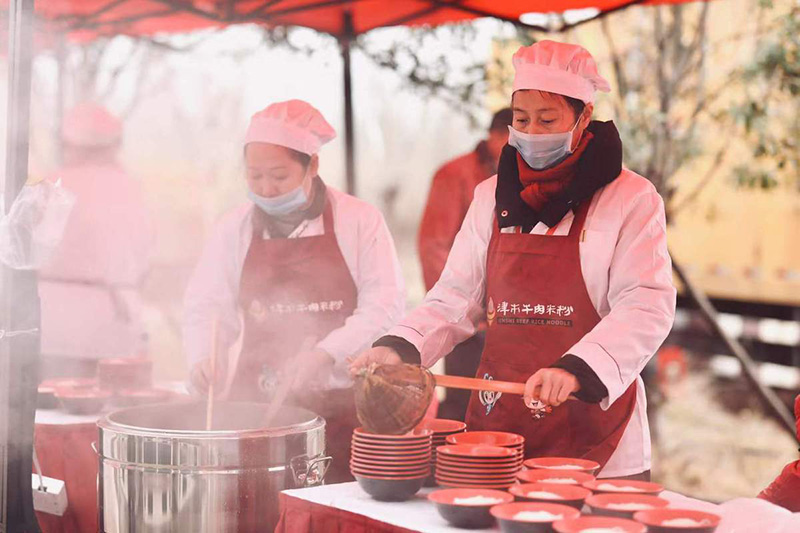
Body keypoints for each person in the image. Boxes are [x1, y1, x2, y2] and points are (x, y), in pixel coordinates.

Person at [352, 40, 676, 480]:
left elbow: (646, 305)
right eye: (521, 120)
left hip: (595, 432)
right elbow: (455, 296)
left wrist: (580, 368)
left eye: (548, 120)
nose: (532, 132)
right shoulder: (490, 196)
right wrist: (400, 347)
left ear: (583, 117)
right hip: (498, 429)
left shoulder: (631, 198)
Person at [184, 100, 405, 483]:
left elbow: (384, 305)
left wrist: (325, 353)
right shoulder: (233, 228)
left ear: (312, 165)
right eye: (255, 176)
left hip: (342, 406)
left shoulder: (358, 220)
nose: (266, 189)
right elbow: (207, 306)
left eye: (279, 176)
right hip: (254, 406)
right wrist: (205, 356)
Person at [39, 103, 152, 379]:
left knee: (51, 400)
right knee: (107, 400)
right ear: (113, 145)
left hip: (51, 325)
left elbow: (28, 251)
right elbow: (144, 259)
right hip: (111, 325)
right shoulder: (130, 188)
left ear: (69, 144)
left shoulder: (51, 185)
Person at [418, 107, 512, 421]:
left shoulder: (516, 176)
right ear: (495, 136)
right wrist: (463, 311)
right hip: (469, 321)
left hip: (508, 319)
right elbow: (434, 246)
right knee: (465, 408)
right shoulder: (455, 174)